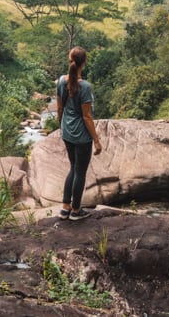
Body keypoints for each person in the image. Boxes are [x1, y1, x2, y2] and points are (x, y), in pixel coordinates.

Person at [56, 46, 102, 221]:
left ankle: (65, 208)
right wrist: (96, 140)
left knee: (73, 167)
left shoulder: (61, 81)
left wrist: (62, 127)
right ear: (84, 63)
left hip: (67, 132)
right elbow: (87, 117)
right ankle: (76, 211)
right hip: (81, 136)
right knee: (80, 171)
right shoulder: (85, 87)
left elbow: (60, 108)